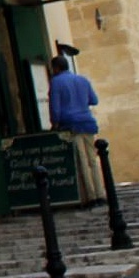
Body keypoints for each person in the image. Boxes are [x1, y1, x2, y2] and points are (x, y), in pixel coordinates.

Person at [47, 45, 104, 206]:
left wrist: (55, 123)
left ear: (56, 68)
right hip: (88, 122)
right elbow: (94, 100)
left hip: (71, 124)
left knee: (81, 160)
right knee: (92, 160)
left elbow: (55, 108)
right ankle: (101, 193)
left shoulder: (56, 82)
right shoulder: (83, 80)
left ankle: (90, 197)